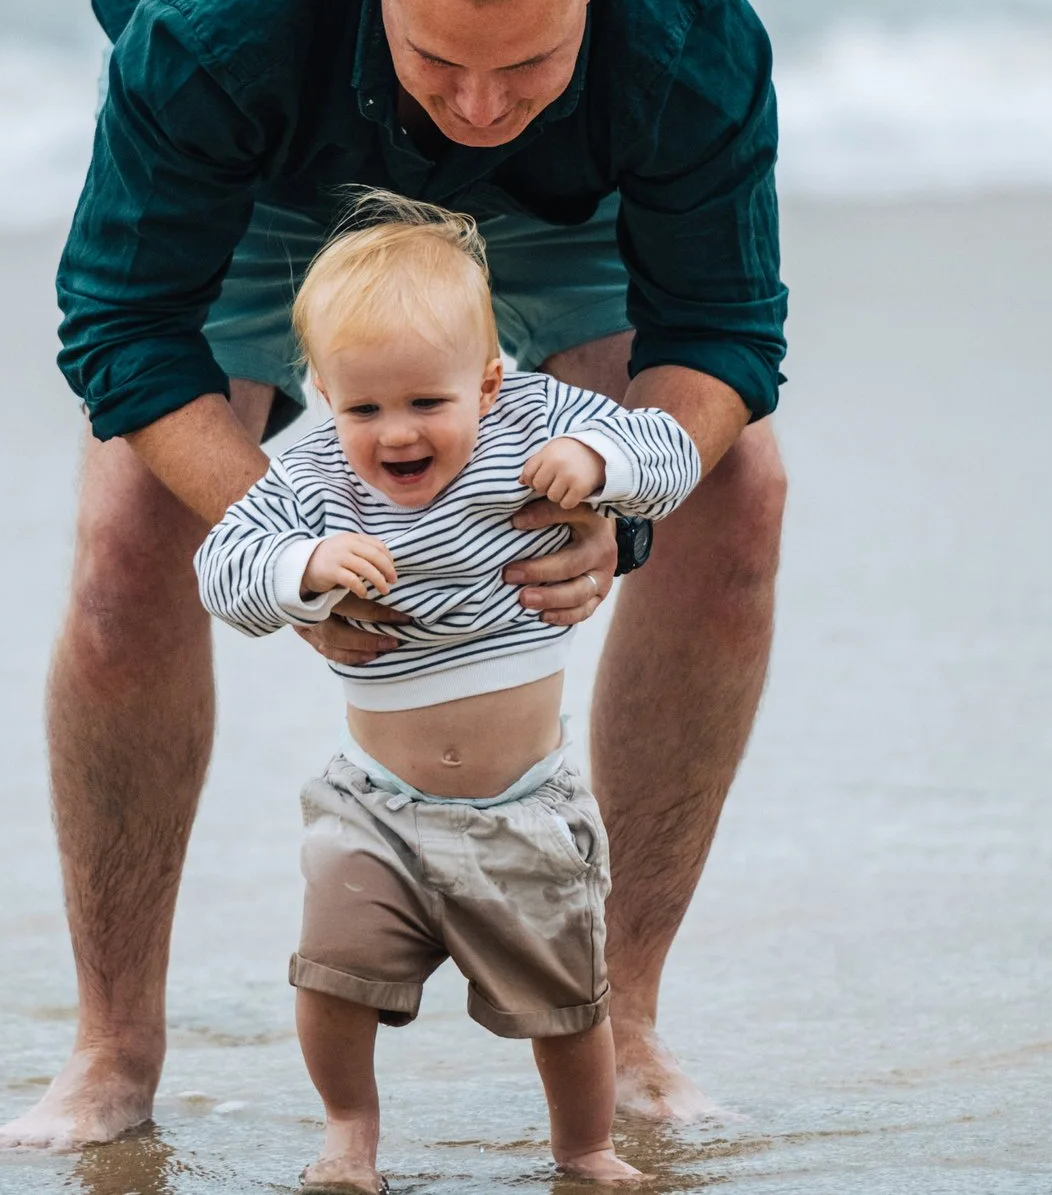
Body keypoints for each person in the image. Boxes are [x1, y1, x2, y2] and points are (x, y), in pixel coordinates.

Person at [0, 0, 787, 1151]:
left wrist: (628, 497)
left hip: (571, 190)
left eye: (526, 60)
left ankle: (630, 1017)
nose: (478, 108)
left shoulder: (685, 30)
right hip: (274, 150)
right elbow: (119, 324)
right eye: (442, 58)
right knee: (128, 542)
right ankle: (112, 1052)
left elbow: (724, 334)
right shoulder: (219, 24)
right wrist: (280, 537)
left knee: (743, 497)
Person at [195, 195, 700, 1189]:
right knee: (331, 976)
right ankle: (348, 1129)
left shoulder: (540, 419)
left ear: (487, 381)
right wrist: (300, 563)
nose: (394, 434)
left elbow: (673, 453)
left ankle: (584, 1145)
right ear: (324, 393)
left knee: (568, 1003)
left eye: (427, 402)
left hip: (525, 808)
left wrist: (603, 461)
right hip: (374, 802)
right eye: (362, 408)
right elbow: (221, 565)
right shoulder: (309, 476)